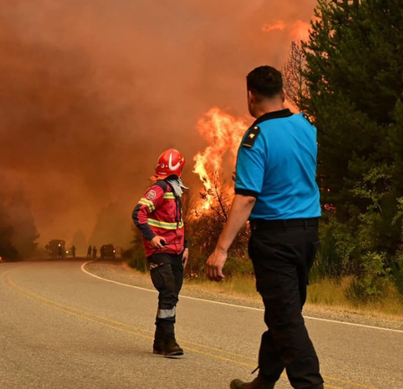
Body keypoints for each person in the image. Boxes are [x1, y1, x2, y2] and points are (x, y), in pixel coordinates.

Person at [205, 66, 323, 389]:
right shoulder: (306, 127)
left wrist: (221, 249)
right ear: (283, 94)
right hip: (308, 236)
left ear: (250, 97)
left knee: (287, 321)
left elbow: (246, 198)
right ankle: (264, 382)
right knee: (283, 313)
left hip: (275, 241)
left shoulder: (255, 139)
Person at [131, 148, 189, 357]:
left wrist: (186, 246)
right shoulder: (160, 188)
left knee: (171, 296)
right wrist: (152, 237)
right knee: (168, 292)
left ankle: (159, 342)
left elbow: (178, 222)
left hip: (176, 251)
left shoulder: (175, 189)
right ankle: (170, 342)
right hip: (160, 251)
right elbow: (139, 212)